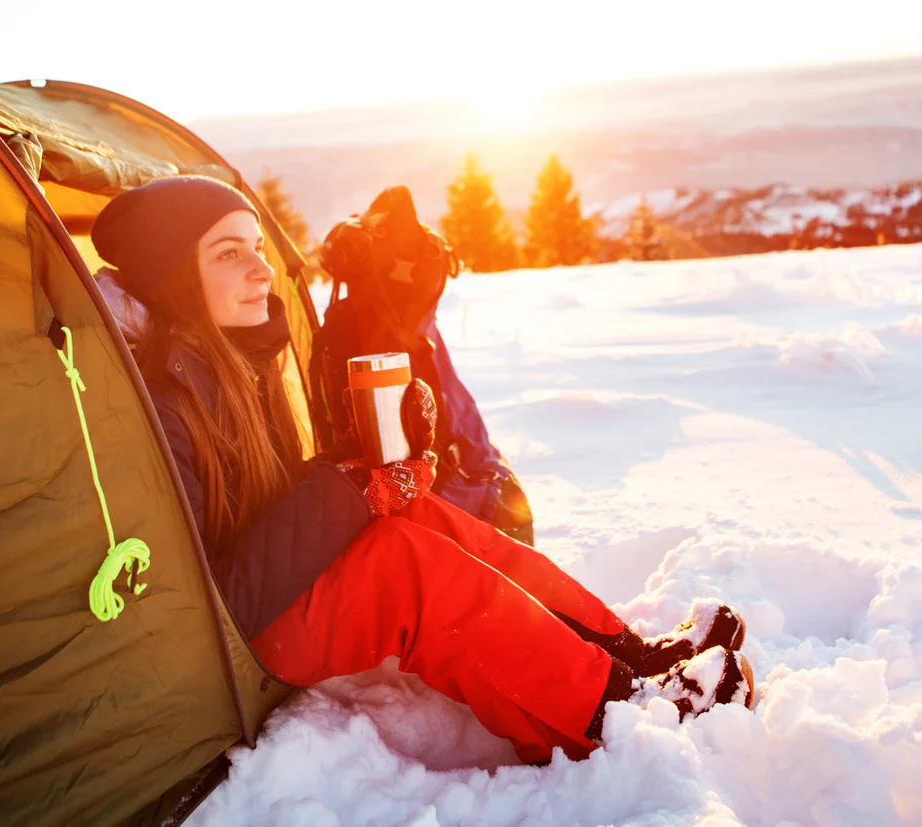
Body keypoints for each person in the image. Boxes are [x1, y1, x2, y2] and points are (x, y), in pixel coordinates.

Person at [90, 176, 753, 764]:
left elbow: (270, 506)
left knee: (421, 513)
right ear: (174, 274)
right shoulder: (161, 404)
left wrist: (368, 469)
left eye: (259, 247)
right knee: (403, 565)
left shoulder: (234, 359)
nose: (262, 270)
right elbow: (218, 600)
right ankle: (615, 712)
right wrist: (349, 490)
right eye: (229, 253)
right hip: (236, 639)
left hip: (272, 590)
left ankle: (627, 654)